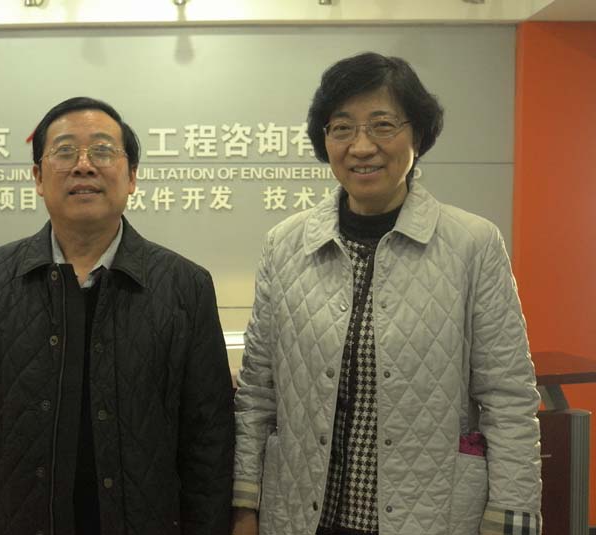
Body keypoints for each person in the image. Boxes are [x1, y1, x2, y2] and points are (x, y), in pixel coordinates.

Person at [231, 53, 542, 535]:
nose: (362, 147)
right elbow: (257, 393)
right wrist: (244, 505)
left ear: (417, 135)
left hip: (431, 516)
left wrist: (511, 518)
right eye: (342, 128)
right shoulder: (285, 244)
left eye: (382, 125)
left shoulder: (472, 245)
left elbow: (508, 397)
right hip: (299, 515)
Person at [0, 97, 234, 535]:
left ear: (132, 177)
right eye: (65, 151)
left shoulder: (185, 287)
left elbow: (209, 444)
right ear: (38, 177)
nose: (84, 166)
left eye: (104, 151)